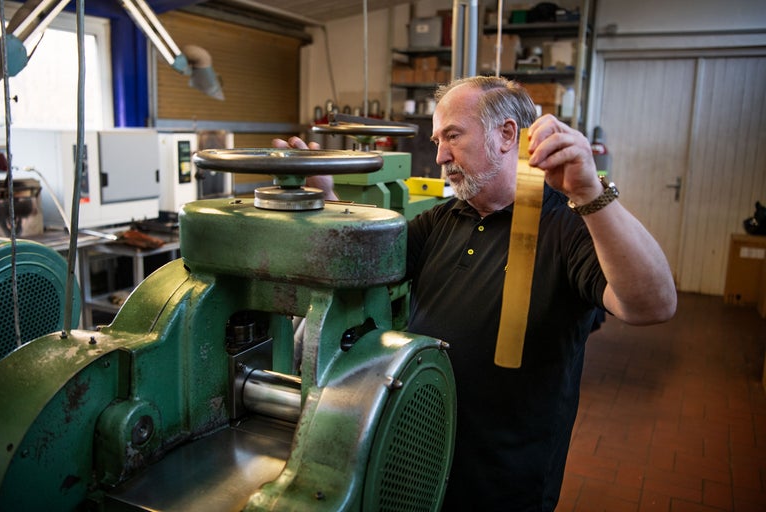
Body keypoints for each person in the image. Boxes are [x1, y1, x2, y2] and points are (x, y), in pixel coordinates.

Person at [274, 75, 677, 511]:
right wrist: (326, 195)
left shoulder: (567, 226)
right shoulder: (444, 219)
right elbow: (359, 265)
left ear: (506, 135)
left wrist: (589, 194)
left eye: (452, 136)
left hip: (503, 482)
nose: (440, 155)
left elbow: (653, 305)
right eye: (436, 138)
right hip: (422, 457)